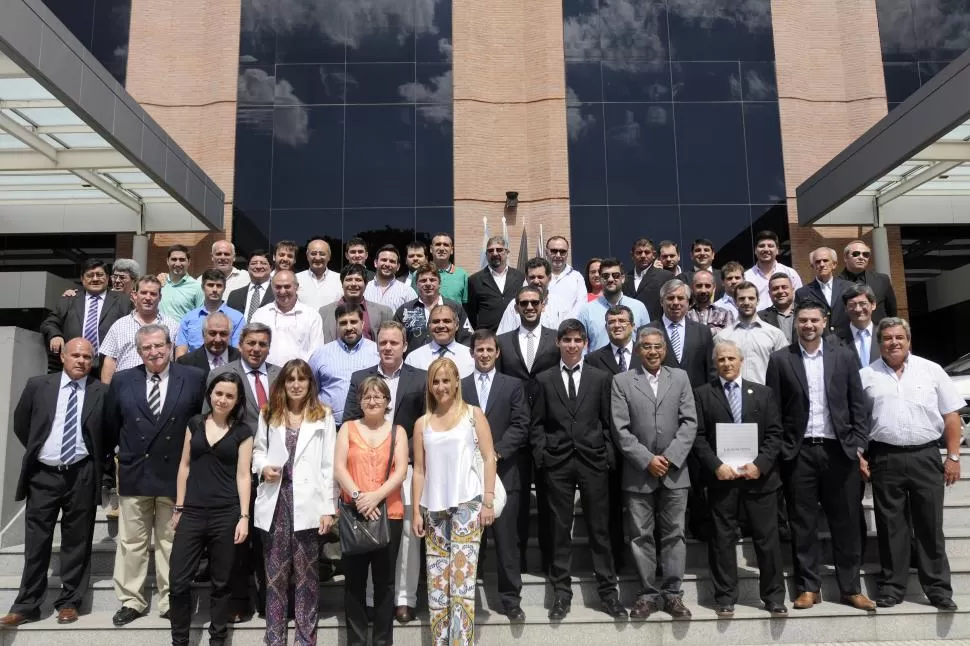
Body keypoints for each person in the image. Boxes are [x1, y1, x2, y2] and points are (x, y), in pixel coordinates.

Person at [765, 301, 875, 611]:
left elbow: (858, 405)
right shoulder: (781, 360)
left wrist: (858, 444)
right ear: (795, 324)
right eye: (803, 320)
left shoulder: (844, 356)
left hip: (839, 451)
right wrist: (783, 448)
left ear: (824, 322)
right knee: (803, 522)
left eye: (814, 320)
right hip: (799, 453)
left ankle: (851, 588)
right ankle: (808, 587)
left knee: (847, 521)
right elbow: (773, 408)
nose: (808, 325)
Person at [0, 339, 107, 627]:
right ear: (62, 356)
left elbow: (107, 434)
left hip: (81, 474)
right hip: (44, 475)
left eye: (87, 356)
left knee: (77, 541)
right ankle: (26, 605)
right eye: (76, 355)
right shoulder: (38, 385)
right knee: (37, 543)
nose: (81, 361)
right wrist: (44, 452)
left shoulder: (102, 392)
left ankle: (70, 601)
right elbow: (22, 424)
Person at [104, 324, 206, 626]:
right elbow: (111, 425)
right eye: (147, 348)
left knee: (170, 541)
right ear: (138, 352)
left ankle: (170, 600)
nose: (154, 352)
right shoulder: (122, 380)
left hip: (176, 475)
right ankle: (131, 600)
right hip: (135, 471)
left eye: (159, 345)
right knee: (132, 542)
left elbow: (199, 424)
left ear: (170, 345)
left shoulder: (193, 377)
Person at [860, 317, 962, 611]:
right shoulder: (866, 375)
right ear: (879, 344)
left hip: (925, 455)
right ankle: (893, 587)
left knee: (930, 523)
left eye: (899, 338)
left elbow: (951, 415)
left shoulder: (932, 371)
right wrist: (859, 455)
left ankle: (938, 589)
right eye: (887, 338)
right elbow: (857, 420)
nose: (893, 343)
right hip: (885, 457)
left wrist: (953, 457)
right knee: (892, 526)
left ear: (908, 341)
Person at [531, 320, 626, 620]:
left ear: (585, 343)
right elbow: (537, 425)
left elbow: (609, 422)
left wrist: (608, 454)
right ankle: (561, 593)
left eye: (577, 340)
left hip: (593, 460)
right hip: (557, 462)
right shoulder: (545, 379)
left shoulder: (600, 378)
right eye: (567, 340)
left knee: (600, 528)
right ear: (558, 343)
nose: (572, 345)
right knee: (560, 530)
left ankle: (609, 593)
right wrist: (542, 455)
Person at [691, 340, 787, 618]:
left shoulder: (763, 394)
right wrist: (715, 466)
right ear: (715, 363)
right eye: (721, 360)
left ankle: (773, 597)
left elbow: (774, 434)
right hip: (722, 481)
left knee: (767, 540)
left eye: (731, 358)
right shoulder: (703, 394)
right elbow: (698, 437)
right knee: (722, 540)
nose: (727, 364)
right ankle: (724, 598)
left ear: (741, 360)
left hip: (759, 480)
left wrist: (761, 464)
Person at [343, 321, 427, 623]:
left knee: (406, 538)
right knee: (368, 534)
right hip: (366, 473)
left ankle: (404, 598)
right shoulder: (360, 377)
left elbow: (424, 425)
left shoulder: (421, 379)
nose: (388, 347)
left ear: (405, 345)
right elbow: (350, 421)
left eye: (394, 342)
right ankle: (370, 599)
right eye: (383, 343)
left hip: (405, 470)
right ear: (377, 345)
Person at [611, 326, 696, 620]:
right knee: (640, 536)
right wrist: (647, 460)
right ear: (637, 351)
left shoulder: (680, 377)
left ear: (665, 349)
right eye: (646, 346)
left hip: (675, 473)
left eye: (657, 346)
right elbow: (620, 429)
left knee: (675, 534)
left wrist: (670, 458)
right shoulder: (622, 381)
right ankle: (647, 595)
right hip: (639, 472)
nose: (652, 351)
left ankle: (673, 595)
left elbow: (690, 423)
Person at [411, 357, 497, 644]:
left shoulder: (473, 414)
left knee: (462, 586)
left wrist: (487, 501)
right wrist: (416, 512)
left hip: (467, 507)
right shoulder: (422, 423)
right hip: (433, 510)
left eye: (446, 380)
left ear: (457, 382)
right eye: (435, 381)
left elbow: (488, 458)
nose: (441, 386)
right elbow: (419, 470)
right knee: (437, 589)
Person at [252, 359, 337, 646]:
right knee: (275, 575)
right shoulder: (269, 413)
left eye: (302, 379)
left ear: (310, 384)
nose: (297, 384)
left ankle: (305, 639)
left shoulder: (323, 415)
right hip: (276, 500)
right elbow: (258, 452)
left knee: (307, 576)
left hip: (308, 502)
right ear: (283, 384)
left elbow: (328, 465)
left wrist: (329, 508)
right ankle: (275, 639)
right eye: (291, 379)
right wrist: (263, 467)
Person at [169, 372, 254, 646]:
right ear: (210, 395)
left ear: (238, 399)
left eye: (230, 395)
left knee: (222, 583)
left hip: (226, 514)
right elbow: (184, 466)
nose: (223, 399)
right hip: (192, 512)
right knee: (179, 581)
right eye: (219, 393)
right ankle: (179, 641)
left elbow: (244, 476)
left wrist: (243, 517)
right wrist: (179, 507)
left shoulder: (243, 432)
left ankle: (218, 639)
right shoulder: (194, 424)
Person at [207, 322, 280, 620]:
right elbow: (210, 420)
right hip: (233, 470)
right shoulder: (223, 375)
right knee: (237, 540)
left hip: (272, 471)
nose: (256, 349)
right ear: (240, 343)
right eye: (251, 343)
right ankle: (239, 600)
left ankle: (269, 599)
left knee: (269, 539)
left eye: (262, 344)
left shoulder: (279, 374)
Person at [460, 330, 530, 620]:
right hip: (468, 475)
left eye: (490, 350)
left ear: (497, 353)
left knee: (506, 540)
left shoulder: (512, 385)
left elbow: (521, 424)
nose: (485, 355)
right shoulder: (460, 386)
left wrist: (495, 454)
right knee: (472, 540)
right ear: (472, 353)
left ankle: (510, 598)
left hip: (506, 471)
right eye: (479, 350)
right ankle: (468, 597)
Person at [334, 377, 409, 646]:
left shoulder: (398, 431)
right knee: (353, 584)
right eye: (367, 396)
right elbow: (339, 468)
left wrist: (375, 497)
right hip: (354, 514)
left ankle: (381, 642)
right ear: (360, 401)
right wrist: (358, 497)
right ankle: (355, 642)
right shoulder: (348, 428)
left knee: (385, 585)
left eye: (378, 396)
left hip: (390, 514)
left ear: (388, 401)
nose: (372, 400)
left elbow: (400, 471)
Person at [494, 285, 559, 573]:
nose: (530, 307)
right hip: (514, 433)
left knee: (549, 502)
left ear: (543, 304)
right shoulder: (502, 342)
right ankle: (516, 564)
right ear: (516, 307)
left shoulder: (556, 340)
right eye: (524, 303)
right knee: (515, 504)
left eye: (535, 302)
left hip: (548, 430)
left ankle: (548, 562)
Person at [40, 258, 132, 375]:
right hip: (76, 365)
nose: (95, 279)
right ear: (82, 279)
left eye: (99, 275)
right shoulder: (69, 299)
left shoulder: (123, 301)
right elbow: (50, 322)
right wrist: (55, 335)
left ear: (108, 278)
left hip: (109, 367)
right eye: (90, 275)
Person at [99, 275, 180, 383]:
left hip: (160, 388)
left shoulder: (172, 325)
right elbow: (110, 361)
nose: (148, 297)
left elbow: (177, 360)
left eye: (153, 294)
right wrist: (107, 391)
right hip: (125, 387)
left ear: (160, 297)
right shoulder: (119, 325)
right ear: (134, 295)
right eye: (143, 292)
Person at [309, 303, 379, 425]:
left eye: (353, 322)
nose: (348, 327)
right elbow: (311, 391)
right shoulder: (320, 355)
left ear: (362, 324)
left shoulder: (377, 352)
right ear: (337, 325)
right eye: (343, 323)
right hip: (329, 428)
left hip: (368, 428)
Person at [714, 281, 787, 384]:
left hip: (766, 396)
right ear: (735, 301)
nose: (747, 302)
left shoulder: (775, 335)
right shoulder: (723, 337)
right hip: (734, 397)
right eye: (742, 299)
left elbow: (784, 370)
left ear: (758, 301)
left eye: (751, 298)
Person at [250, 270, 325, 366]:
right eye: (278, 287)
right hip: (267, 375)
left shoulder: (311, 316)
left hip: (299, 376)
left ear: (296, 287)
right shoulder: (260, 314)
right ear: (272, 288)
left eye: (287, 286)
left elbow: (316, 352)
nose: (282, 291)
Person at [394, 263, 472, 353]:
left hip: (448, 364)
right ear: (416, 284)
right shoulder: (405, 311)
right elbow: (395, 339)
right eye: (423, 281)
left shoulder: (455, 308)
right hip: (414, 364)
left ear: (439, 283)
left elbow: (466, 340)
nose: (428, 284)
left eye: (432, 280)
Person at [651, 279, 715, 388]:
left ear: (688, 303)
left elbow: (711, 372)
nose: (676, 302)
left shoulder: (703, 332)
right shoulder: (648, 331)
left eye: (681, 298)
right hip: (660, 400)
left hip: (696, 400)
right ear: (662, 302)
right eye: (670, 298)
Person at [576, 257, 650, 350]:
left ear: (622, 278)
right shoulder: (587, 310)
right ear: (600, 279)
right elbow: (580, 344)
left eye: (615, 275)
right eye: (605, 276)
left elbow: (647, 341)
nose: (610, 279)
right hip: (598, 364)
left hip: (633, 364)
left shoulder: (639, 307)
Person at [496, 257, 576, 334]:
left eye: (540, 277)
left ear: (549, 278)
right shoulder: (514, 304)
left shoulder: (562, 305)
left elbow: (569, 336)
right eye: (532, 277)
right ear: (526, 279)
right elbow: (503, 337)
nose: (536, 281)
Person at [174, 268, 244, 356]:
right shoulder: (189, 317)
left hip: (224, 367)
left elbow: (238, 352)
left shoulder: (237, 317)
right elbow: (181, 351)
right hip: (194, 367)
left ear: (224, 288)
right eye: (210, 285)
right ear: (203, 287)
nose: (215, 289)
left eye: (219, 286)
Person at [319, 264, 394, 343]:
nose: (353, 284)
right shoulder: (324, 312)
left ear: (366, 284)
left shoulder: (384, 312)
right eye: (349, 280)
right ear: (342, 283)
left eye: (358, 280)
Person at [467, 235, 525, 331]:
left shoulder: (520, 277)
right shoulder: (474, 280)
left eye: (499, 250)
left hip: (514, 334)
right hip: (488, 337)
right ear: (486, 254)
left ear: (507, 252)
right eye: (490, 250)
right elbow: (471, 313)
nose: (494, 253)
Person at [404, 303, 475, 378]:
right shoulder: (414, 358)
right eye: (436, 321)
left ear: (456, 325)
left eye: (447, 321)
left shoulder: (471, 357)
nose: (441, 326)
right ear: (429, 326)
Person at [795, 247, 852, 336]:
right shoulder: (802, 293)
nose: (822, 264)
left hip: (846, 341)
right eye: (817, 261)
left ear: (834, 264)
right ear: (812, 266)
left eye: (825, 260)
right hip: (819, 343)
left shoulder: (849, 287)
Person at [839, 240, 897, 324]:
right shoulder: (835, 283)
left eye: (865, 254)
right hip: (848, 334)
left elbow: (891, 310)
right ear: (845, 257)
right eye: (856, 254)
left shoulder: (882, 280)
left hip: (878, 333)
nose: (861, 257)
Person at [744, 230, 803, 310]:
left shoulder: (790, 273)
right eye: (761, 246)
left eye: (770, 246)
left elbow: (800, 301)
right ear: (755, 250)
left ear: (777, 250)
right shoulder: (746, 277)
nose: (766, 249)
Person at [177, 312, 242, 381]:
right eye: (212, 333)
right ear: (203, 334)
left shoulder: (241, 358)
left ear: (230, 335)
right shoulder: (185, 363)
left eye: (223, 334)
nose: (218, 339)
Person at [623, 238, 674, 317]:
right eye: (639, 253)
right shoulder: (624, 278)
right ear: (632, 255)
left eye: (647, 252)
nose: (643, 256)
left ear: (654, 255)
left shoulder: (665, 277)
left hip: (655, 327)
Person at [585, 305, 642, 375]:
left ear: (632, 326)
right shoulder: (592, 359)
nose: (617, 325)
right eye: (612, 322)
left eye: (622, 321)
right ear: (606, 327)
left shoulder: (644, 354)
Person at [837, 284, 881, 368]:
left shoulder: (885, 336)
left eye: (862, 303)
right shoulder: (835, 340)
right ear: (845, 308)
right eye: (852, 304)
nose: (858, 309)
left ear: (873, 305)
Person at [365, 244, 418, 311]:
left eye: (392, 261)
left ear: (398, 267)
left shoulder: (407, 292)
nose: (387, 264)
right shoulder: (364, 289)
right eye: (384, 260)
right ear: (375, 263)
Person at [295, 237, 343, 310]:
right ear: (307, 256)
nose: (317, 258)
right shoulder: (296, 279)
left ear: (329, 257)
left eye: (322, 254)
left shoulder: (340, 279)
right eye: (313, 253)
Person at [159, 245, 204, 321]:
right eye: (174, 259)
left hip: (183, 332)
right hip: (158, 332)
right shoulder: (159, 283)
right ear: (167, 261)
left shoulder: (197, 287)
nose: (177, 264)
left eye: (182, 260)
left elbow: (201, 317)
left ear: (189, 262)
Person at [226, 250, 274, 322]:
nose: (258, 266)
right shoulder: (234, 296)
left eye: (263, 263)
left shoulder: (278, 294)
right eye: (253, 263)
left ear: (271, 268)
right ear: (248, 268)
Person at [544, 236, 588, 314]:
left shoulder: (577, 277)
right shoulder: (535, 276)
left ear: (567, 253)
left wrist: (568, 323)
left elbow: (581, 304)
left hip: (569, 325)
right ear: (546, 252)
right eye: (554, 251)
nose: (558, 255)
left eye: (562, 252)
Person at [685, 269, 733, 335]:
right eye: (699, 286)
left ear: (714, 287)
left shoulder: (725, 314)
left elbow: (729, 338)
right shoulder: (684, 314)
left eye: (707, 286)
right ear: (692, 287)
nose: (703, 290)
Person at [425, 233, 468, 303]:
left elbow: (466, 306)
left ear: (451, 250)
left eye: (446, 245)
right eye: (438, 244)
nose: (442, 248)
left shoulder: (462, 275)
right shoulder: (419, 274)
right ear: (431, 249)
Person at [758, 272, 796, 343]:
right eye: (775, 288)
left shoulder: (806, 312)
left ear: (793, 290)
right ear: (769, 293)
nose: (780, 291)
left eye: (784, 287)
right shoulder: (759, 318)